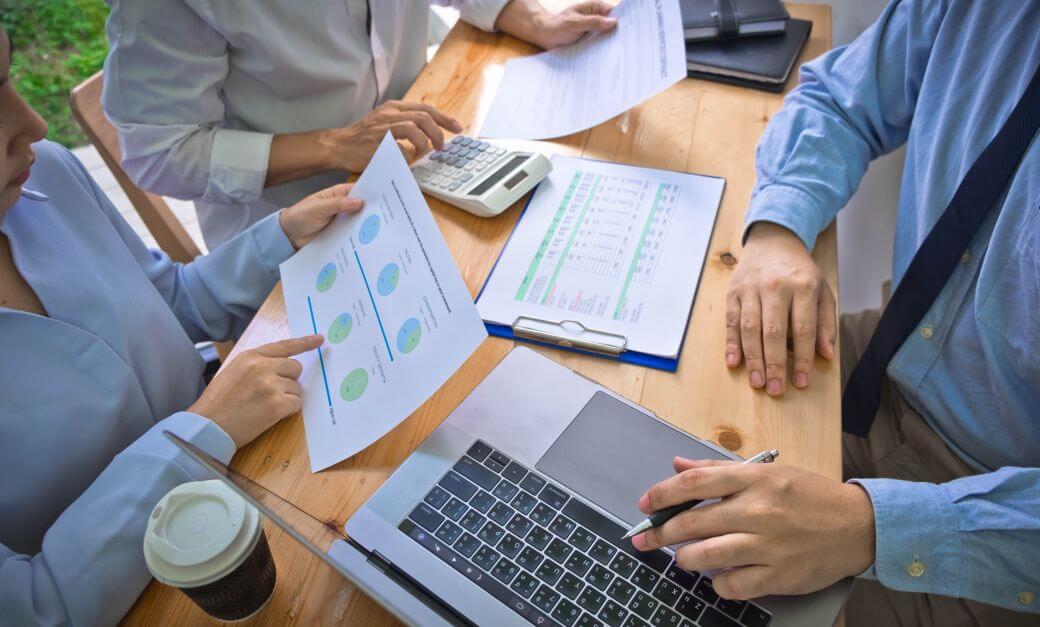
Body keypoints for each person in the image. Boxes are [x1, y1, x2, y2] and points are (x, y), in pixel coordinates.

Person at [631, 1, 1039, 625]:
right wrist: (776, 232)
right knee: (635, 456)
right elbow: (839, 99)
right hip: (887, 359)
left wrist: (872, 528)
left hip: (999, 524)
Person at [0, 25, 365, 623]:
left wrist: (282, 237)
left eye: (9, 78)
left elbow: (172, 301)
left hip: (259, 476)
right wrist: (201, 430)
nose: (34, 125)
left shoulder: (48, 175)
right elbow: (35, 607)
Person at [101, 0, 618, 248]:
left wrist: (527, 16)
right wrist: (334, 146)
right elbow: (159, 153)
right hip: (296, 232)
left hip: (430, 158)